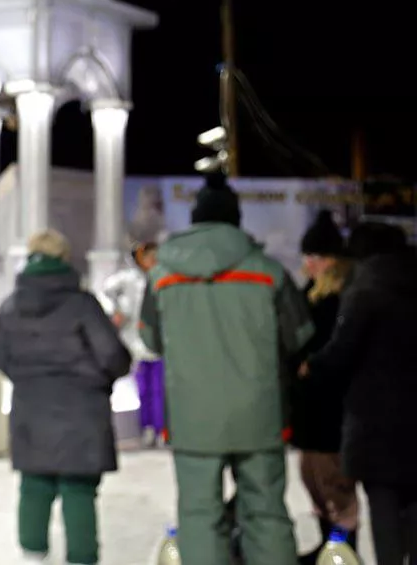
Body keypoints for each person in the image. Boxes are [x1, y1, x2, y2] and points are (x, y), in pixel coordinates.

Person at [139, 170, 314, 565]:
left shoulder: (162, 276)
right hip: (259, 412)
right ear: (236, 220)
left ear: (196, 220)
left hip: (192, 416)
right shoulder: (268, 271)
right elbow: (299, 336)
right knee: (266, 512)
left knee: (200, 516)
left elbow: (151, 341)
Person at [0, 229, 132, 565]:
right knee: (79, 489)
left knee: (34, 485)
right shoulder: (82, 304)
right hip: (82, 411)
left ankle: (32, 554)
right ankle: (81, 559)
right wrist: (96, 381)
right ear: (65, 259)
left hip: (31, 407)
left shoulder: (12, 306)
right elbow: (112, 355)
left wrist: (28, 379)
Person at [302, 221, 417, 565]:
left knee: (383, 507)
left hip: (376, 422)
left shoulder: (366, 288)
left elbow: (343, 351)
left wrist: (312, 367)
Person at [290, 209, 358, 563]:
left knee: (334, 484)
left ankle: (344, 551)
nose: (308, 263)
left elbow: (338, 352)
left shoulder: (345, 298)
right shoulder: (311, 295)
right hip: (311, 413)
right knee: (314, 479)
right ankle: (328, 546)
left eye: (314, 257)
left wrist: (310, 364)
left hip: (332, 414)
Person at [96, 232, 165, 448]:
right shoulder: (128, 279)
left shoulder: (162, 277)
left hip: (161, 344)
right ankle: (146, 428)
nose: (151, 260)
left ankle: (162, 429)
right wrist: (118, 311)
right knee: (144, 390)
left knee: (161, 390)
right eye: (148, 256)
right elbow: (106, 291)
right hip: (137, 343)